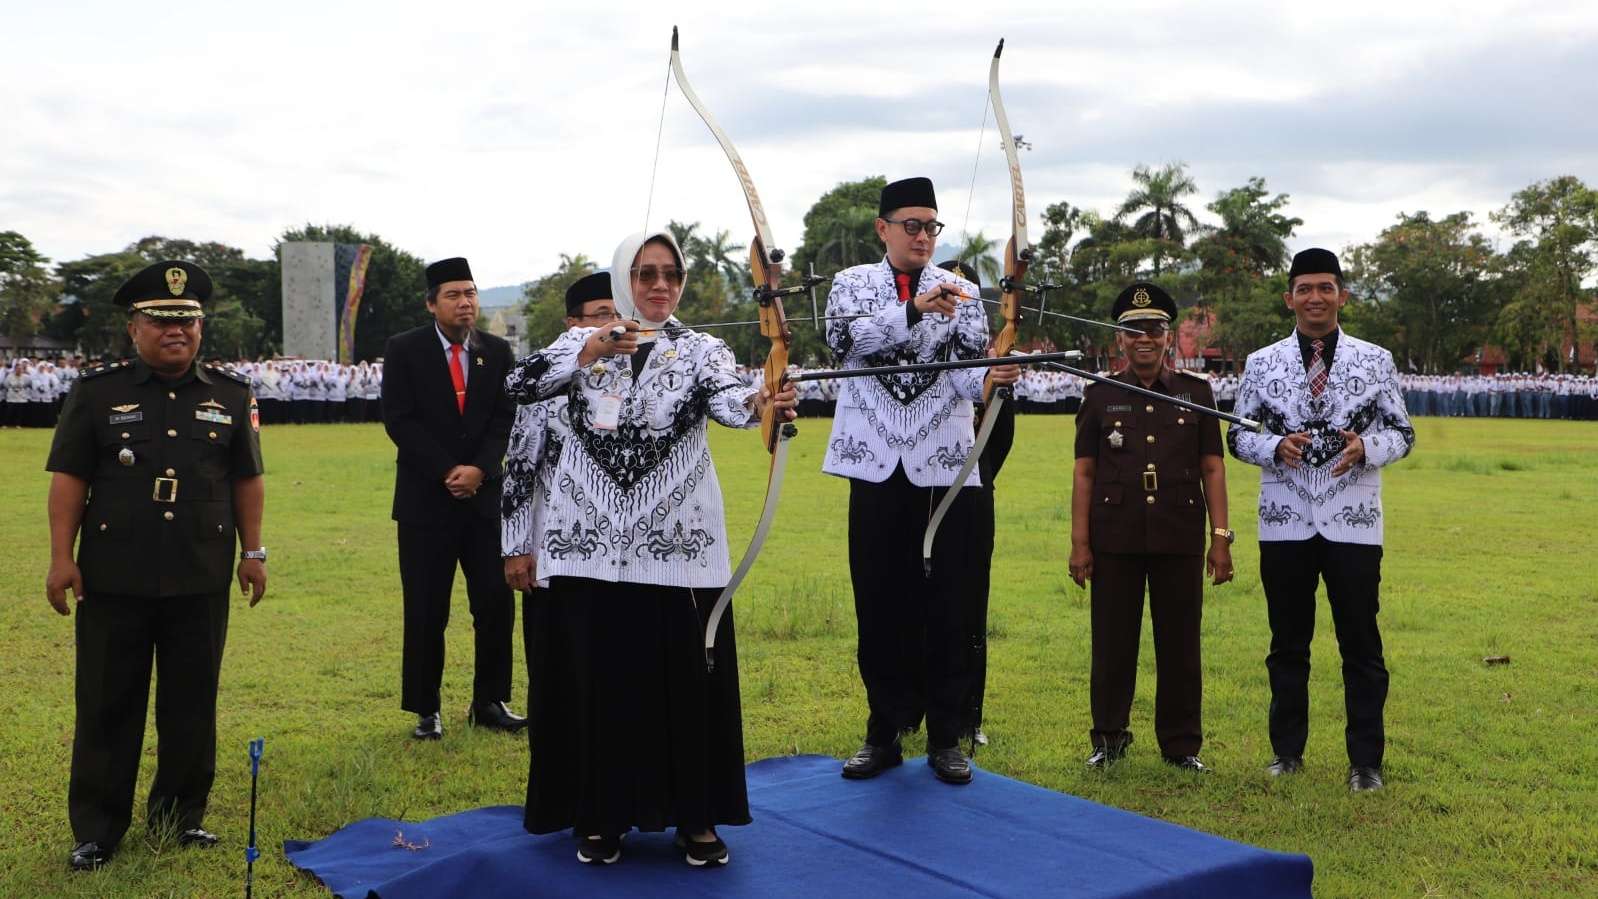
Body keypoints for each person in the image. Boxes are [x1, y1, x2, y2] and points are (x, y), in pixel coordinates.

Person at [507, 232, 795, 867]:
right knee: (602, 687)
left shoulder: (701, 350)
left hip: (678, 550)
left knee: (685, 687)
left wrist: (764, 400)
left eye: (671, 274)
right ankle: (601, 818)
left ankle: (696, 818)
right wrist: (591, 347)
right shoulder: (575, 347)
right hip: (588, 549)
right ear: (623, 280)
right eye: (645, 273)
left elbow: (731, 402)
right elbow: (518, 386)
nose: (660, 285)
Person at [43, 260, 267, 871]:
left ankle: (179, 816)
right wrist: (62, 558)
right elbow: (69, 479)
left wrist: (253, 552)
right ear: (133, 328)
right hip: (115, 572)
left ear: (200, 328)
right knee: (107, 701)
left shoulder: (231, 393)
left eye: (187, 321)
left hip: (200, 569)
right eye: (162, 321)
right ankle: (97, 828)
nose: (177, 331)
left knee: (191, 702)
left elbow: (247, 478)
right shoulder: (97, 392)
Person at [821, 177, 1019, 785]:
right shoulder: (851, 284)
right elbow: (844, 343)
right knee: (879, 600)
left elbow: (964, 374)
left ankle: (946, 736)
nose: (923, 237)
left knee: (950, 603)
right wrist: (913, 309)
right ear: (882, 229)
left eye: (932, 227)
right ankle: (884, 731)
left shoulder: (963, 291)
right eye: (912, 226)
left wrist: (989, 380)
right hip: (875, 463)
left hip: (944, 466)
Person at [1228, 248, 1415, 793]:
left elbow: (1403, 432)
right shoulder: (1261, 362)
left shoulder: (1375, 360)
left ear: (1342, 296)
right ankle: (1287, 752)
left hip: (1353, 519)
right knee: (1288, 643)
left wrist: (1367, 448)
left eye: (1325, 288)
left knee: (1361, 644)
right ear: (1289, 298)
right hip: (1284, 520)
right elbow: (1236, 434)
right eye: (1305, 288)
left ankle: (1366, 763)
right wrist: (1273, 445)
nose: (1315, 298)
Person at [1069, 282, 1232, 772]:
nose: (1145, 338)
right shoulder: (1100, 395)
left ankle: (1181, 746)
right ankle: (1108, 739)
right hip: (1114, 535)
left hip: (1178, 533)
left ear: (1168, 337)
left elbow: (1212, 468)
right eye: (1134, 330)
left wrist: (1220, 539)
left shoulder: (1196, 393)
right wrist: (1080, 543)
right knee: (1112, 642)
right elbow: (1084, 472)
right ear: (1119, 339)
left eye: (1154, 329)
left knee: (1180, 644)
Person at [381, 257, 522, 740]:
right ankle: (426, 708)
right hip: (426, 502)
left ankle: (490, 701)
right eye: (454, 295)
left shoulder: (496, 351)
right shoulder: (405, 350)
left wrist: (479, 469)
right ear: (431, 304)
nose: (465, 303)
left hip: (484, 502)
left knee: (495, 604)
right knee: (426, 609)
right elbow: (399, 420)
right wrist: (447, 471)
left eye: (471, 293)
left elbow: (505, 417)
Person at [936, 259, 1015, 747]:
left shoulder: (990, 370)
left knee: (967, 609)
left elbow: (998, 440)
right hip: (918, 496)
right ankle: (910, 711)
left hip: (970, 499)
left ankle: (967, 715)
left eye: (964, 298)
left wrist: (975, 482)